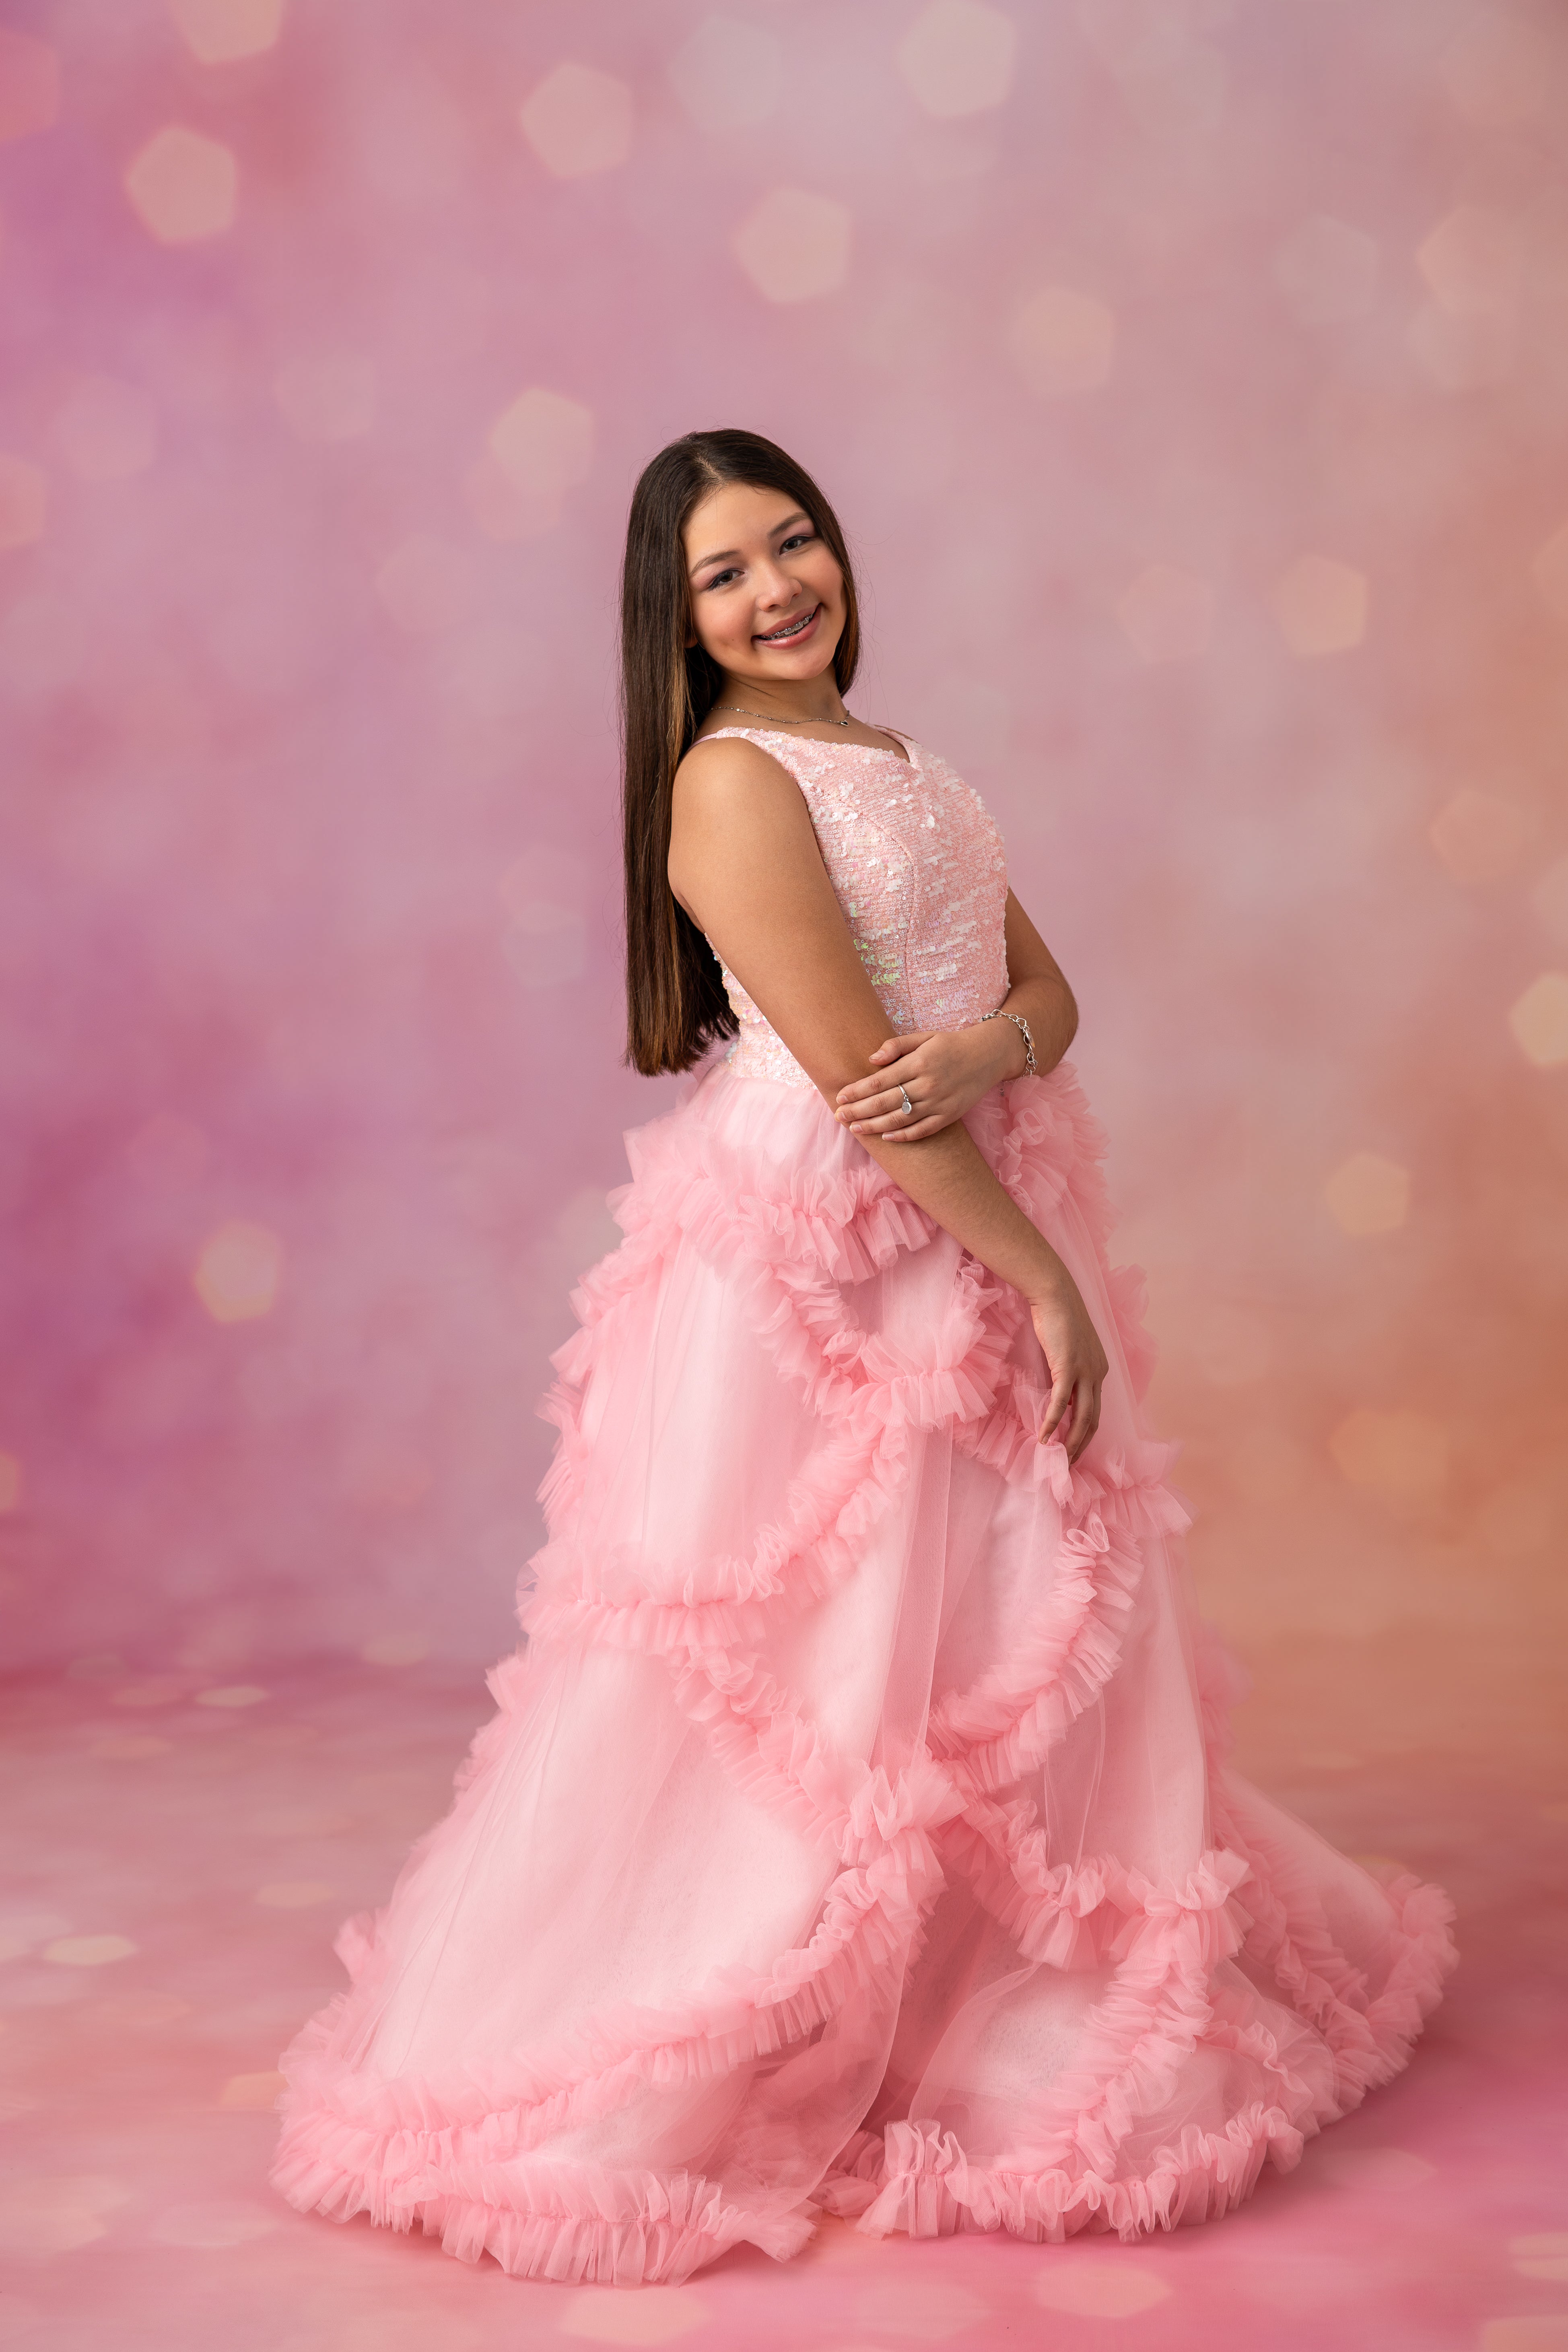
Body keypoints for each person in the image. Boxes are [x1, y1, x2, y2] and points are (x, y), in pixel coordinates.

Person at [271, 429, 1455, 2287]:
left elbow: (1038, 994)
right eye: (727, 574)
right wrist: (1037, 1274)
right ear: (682, 624)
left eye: (794, 541)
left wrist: (993, 1054)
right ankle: (730, 2017)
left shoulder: (896, 761)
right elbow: (854, 1077)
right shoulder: (733, 784)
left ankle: (957, 1997)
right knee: (829, 1651)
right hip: (839, 1249)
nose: (777, 589)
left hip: (970, 1170)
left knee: (991, 1627)